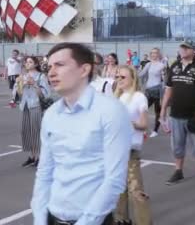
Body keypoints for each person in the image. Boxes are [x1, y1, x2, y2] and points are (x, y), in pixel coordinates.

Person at [31, 43, 131, 225]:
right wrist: (39, 218)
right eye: (49, 66)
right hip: (52, 217)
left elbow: (115, 179)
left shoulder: (110, 111)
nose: (51, 72)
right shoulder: (52, 114)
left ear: (84, 69)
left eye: (59, 65)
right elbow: (45, 172)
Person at [159, 42, 195, 189]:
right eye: (181, 48)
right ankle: (178, 171)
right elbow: (169, 89)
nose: (183, 50)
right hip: (175, 115)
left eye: (186, 48)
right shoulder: (175, 66)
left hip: (193, 116)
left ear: (193, 51)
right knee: (177, 147)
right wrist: (163, 109)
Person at [114, 65, 152, 225]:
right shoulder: (117, 97)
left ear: (132, 79)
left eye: (123, 77)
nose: (119, 80)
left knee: (135, 191)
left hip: (130, 150)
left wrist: (127, 123)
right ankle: (121, 219)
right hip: (116, 150)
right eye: (117, 77)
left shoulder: (138, 97)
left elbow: (144, 124)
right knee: (118, 190)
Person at [17, 56, 50, 168]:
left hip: (36, 105)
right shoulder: (23, 76)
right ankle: (32, 156)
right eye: (26, 62)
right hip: (25, 105)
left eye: (30, 62)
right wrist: (18, 85)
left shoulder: (41, 76)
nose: (27, 64)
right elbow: (19, 94)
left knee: (36, 131)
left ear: (36, 64)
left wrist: (34, 84)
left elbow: (46, 94)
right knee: (26, 131)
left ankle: (40, 157)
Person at [139, 48, 166, 138]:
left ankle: (155, 130)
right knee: (142, 109)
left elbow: (165, 80)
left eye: (155, 53)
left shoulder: (162, 65)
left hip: (158, 90)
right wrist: (131, 72)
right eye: (152, 53)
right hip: (148, 90)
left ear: (158, 54)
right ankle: (143, 129)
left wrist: (164, 93)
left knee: (157, 111)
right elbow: (141, 74)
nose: (154, 54)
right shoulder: (148, 64)